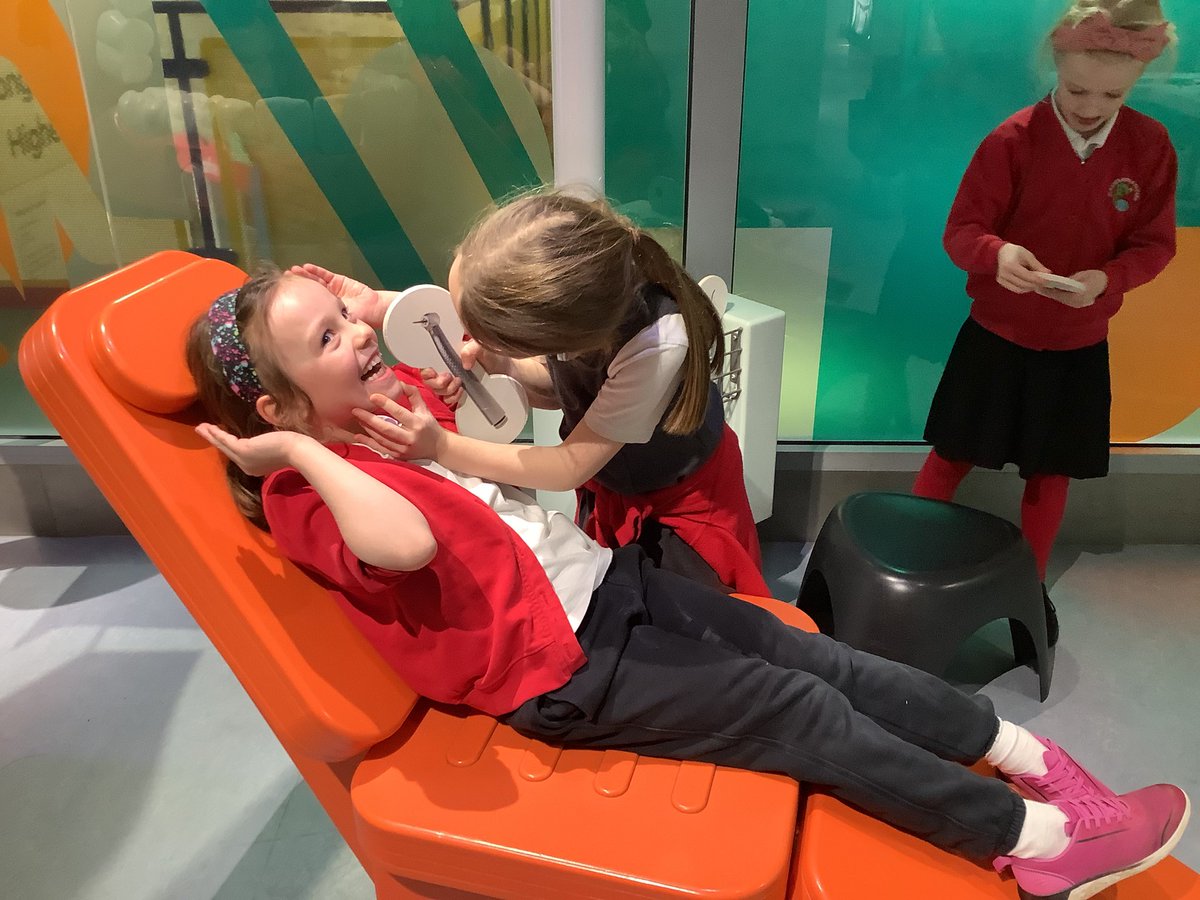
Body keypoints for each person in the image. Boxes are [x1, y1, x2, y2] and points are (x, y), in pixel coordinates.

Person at [188, 267, 1188, 900]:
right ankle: (1035, 843)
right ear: (275, 408)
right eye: (326, 340)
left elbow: (446, 365)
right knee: (798, 710)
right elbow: (405, 544)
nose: (357, 337)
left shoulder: (390, 402)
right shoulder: (306, 494)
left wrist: (376, 317)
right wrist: (297, 451)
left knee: (810, 650)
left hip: (607, 589)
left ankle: (1027, 755)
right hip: (560, 672)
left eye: (342, 318)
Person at [294, 190, 769, 598]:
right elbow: (560, 386)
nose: (467, 337)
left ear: (554, 336)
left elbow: (568, 466)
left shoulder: (658, 344)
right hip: (617, 484)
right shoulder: (581, 303)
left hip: (682, 500)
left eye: (484, 334)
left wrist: (440, 447)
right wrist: (389, 310)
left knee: (699, 616)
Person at [913, 0, 1179, 647]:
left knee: (1050, 472)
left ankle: (1026, 589)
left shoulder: (1149, 146)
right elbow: (962, 230)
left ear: (1137, 84)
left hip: (1078, 343)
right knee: (951, 453)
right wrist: (997, 254)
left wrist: (1107, 280)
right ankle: (907, 555)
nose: (1091, 106)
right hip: (996, 334)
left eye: (1112, 94)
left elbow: (1155, 243)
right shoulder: (1013, 139)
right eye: (1077, 89)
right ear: (1055, 67)